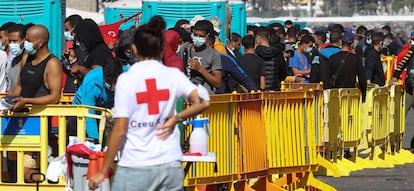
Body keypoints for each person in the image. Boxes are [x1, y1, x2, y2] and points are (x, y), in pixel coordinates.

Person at [88, 16, 210, 191]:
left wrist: (103, 169)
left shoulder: (127, 80)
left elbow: (120, 129)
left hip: (135, 165)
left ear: (135, 48)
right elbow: (203, 101)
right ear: (161, 48)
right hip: (170, 165)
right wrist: (176, 118)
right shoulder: (173, 76)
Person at [8, 25, 62, 182]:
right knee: (13, 170)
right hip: (18, 122)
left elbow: (54, 97)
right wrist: (9, 99)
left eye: (29, 41)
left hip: (37, 125)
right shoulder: (26, 59)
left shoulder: (52, 63)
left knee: (27, 173)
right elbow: (20, 85)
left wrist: (27, 101)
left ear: (41, 43)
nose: (26, 43)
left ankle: (58, 180)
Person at [177, 20, 222, 94]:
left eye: (201, 36)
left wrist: (200, 69)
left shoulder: (213, 54)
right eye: (195, 35)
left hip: (205, 98)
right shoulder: (184, 50)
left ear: (207, 36)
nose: (197, 38)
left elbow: (218, 83)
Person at [325, 32, 367, 101]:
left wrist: (327, 94)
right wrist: (363, 96)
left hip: (334, 96)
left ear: (341, 42)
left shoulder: (332, 58)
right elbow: (362, 79)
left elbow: (326, 78)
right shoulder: (355, 59)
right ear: (352, 44)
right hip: (350, 96)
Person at [255, 27, 286, 91]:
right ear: (269, 37)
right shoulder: (278, 53)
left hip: (259, 90)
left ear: (257, 38)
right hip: (275, 89)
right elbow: (283, 73)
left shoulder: (255, 53)